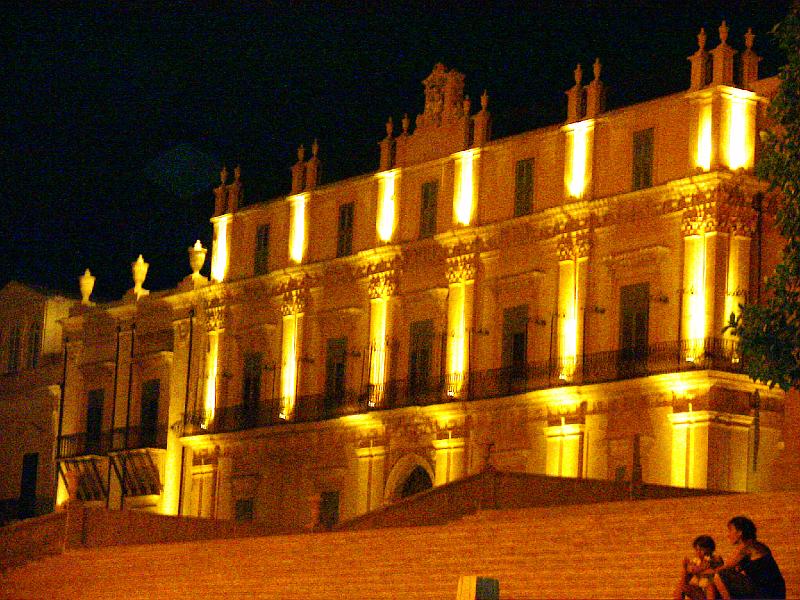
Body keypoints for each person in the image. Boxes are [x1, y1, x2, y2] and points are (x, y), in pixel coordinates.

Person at [713, 516, 786, 599]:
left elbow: (725, 568)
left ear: (740, 532)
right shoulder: (756, 545)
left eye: (730, 530)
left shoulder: (748, 547)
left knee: (720, 576)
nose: (728, 535)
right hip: (773, 591)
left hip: (767, 593)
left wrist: (707, 567)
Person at [674, 535, 724, 600]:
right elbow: (691, 570)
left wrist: (700, 569)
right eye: (697, 549)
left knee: (710, 587)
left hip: (712, 590)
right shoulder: (696, 561)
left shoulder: (716, 559)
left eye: (701, 549)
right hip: (700, 589)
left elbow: (715, 571)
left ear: (709, 549)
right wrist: (686, 568)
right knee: (681, 586)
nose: (698, 552)